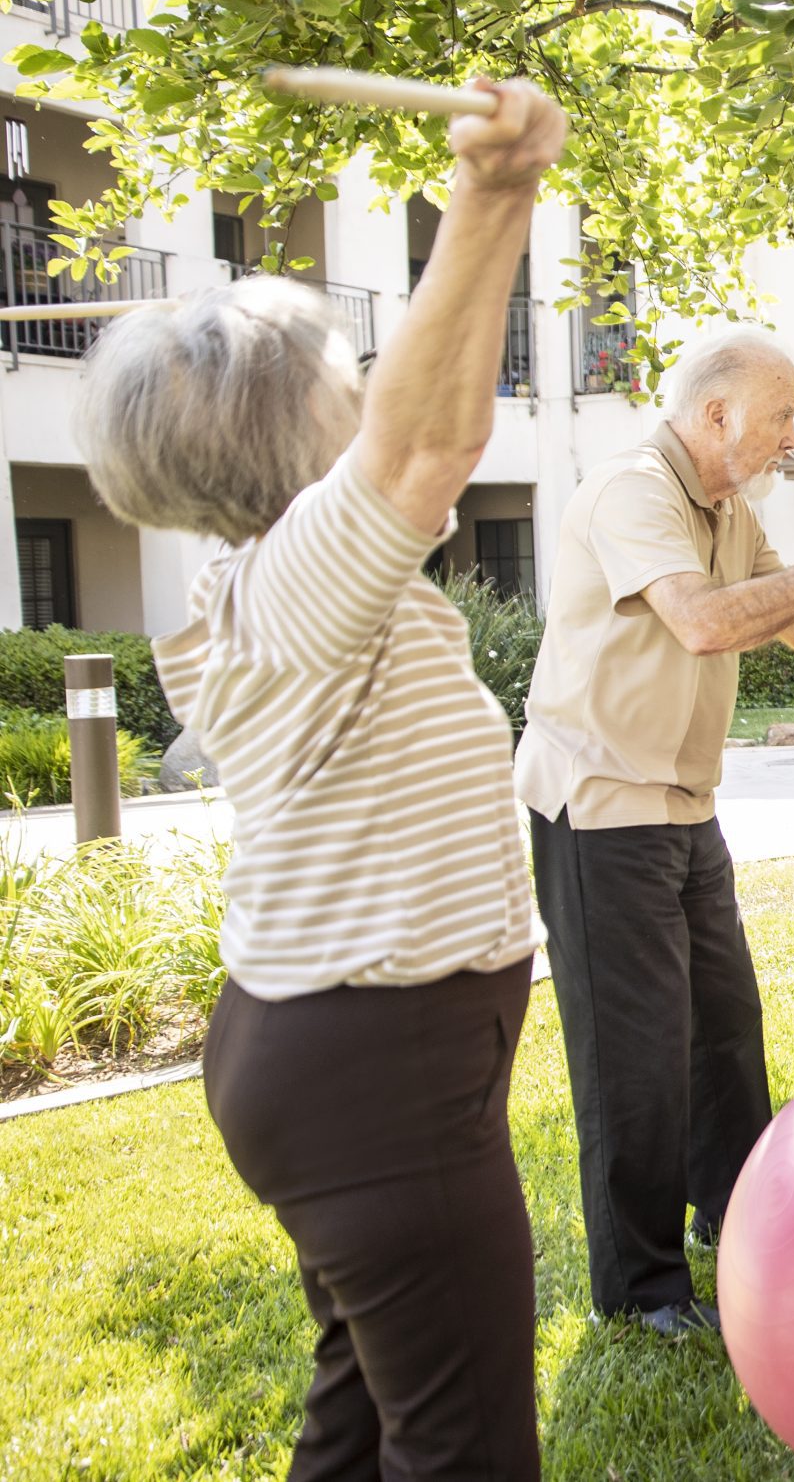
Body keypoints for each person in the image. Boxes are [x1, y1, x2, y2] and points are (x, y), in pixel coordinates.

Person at [76, 80, 565, 1477]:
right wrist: (482, 193)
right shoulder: (297, 585)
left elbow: (431, 428)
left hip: (350, 1049)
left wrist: (516, 199)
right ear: (291, 434)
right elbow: (430, 442)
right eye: (340, 370)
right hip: (374, 1063)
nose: (366, 379)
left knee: (363, 1411)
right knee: (465, 1447)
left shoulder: (264, 578)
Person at [515, 330, 794, 1335]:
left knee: (723, 1032)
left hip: (684, 806)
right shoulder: (634, 489)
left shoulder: (728, 504)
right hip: (599, 807)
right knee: (631, 1057)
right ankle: (640, 1292)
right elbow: (705, 622)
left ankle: (740, 1217)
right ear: (716, 414)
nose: (792, 437)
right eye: (781, 416)